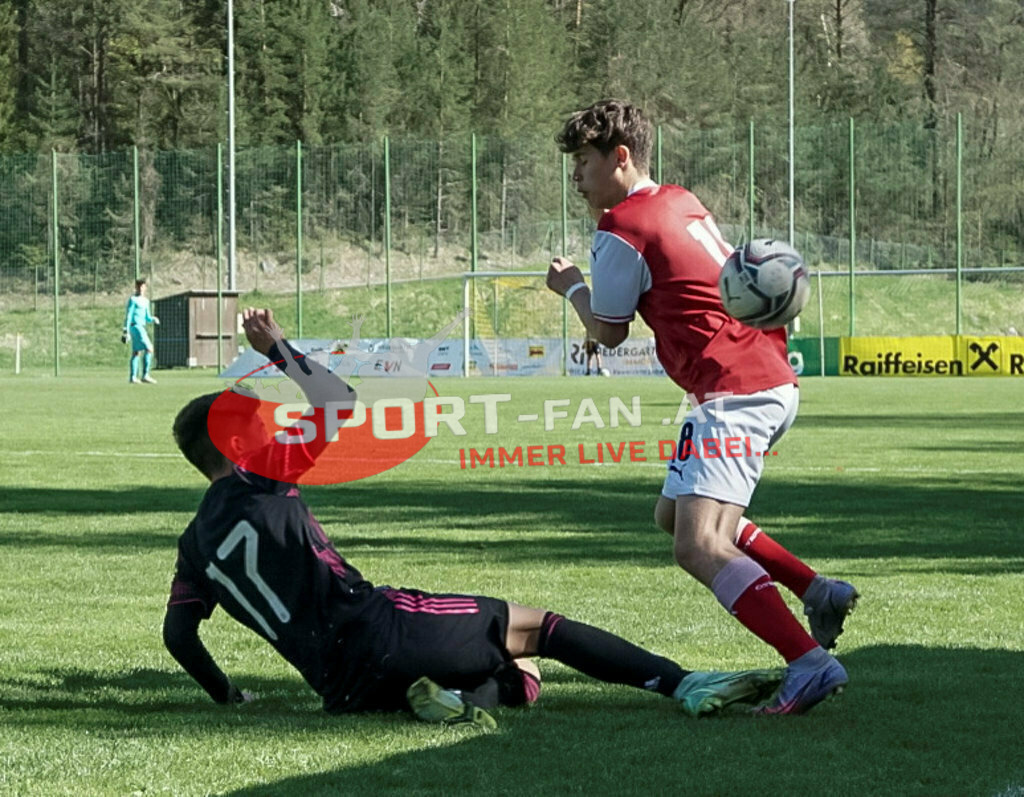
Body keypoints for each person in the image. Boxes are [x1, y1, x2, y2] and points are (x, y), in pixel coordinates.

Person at [162, 308, 783, 728]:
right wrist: (276, 350)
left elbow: (179, 635)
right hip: (382, 629)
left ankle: (457, 699)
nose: (273, 423)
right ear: (236, 445)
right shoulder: (261, 474)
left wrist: (226, 693)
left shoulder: (194, 544)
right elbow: (336, 397)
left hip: (340, 687)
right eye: (260, 421)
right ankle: (683, 683)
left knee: (511, 671)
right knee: (539, 631)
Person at [545, 100, 858, 715]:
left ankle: (808, 662)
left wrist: (572, 286)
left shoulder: (622, 226)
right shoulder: (680, 200)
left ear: (620, 157)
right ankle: (816, 590)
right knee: (674, 516)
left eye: (583, 160)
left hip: (733, 391)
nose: (575, 175)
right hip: (764, 377)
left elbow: (609, 332)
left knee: (698, 545)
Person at [122, 278, 159, 384]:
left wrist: (153, 319)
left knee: (136, 352)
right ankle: (145, 375)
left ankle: (133, 377)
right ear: (136, 288)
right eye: (138, 286)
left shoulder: (146, 301)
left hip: (141, 326)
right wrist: (126, 330)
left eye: (142, 286)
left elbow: (147, 317)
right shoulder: (133, 299)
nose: (140, 288)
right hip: (136, 326)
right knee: (149, 348)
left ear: (145, 288)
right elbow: (129, 315)